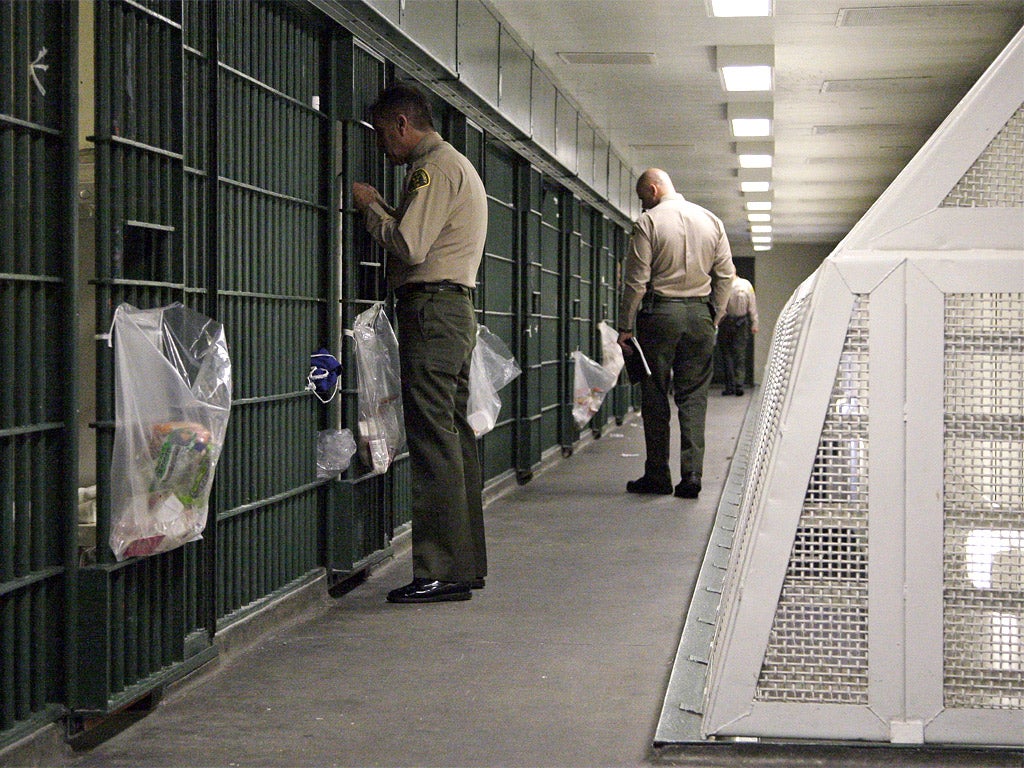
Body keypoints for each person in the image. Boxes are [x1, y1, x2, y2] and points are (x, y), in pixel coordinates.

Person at [352, 83, 488, 603]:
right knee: (455, 439)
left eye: (385, 134)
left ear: (404, 125)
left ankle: (438, 570)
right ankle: (464, 564)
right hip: (452, 312)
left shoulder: (431, 169)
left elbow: (410, 244)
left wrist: (370, 207)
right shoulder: (458, 166)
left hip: (431, 311)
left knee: (433, 441)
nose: (384, 146)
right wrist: (389, 207)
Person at [617, 168, 736, 499]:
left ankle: (658, 474)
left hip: (660, 315)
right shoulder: (711, 220)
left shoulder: (648, 223)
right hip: (700, 314)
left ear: (653, 190)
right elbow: (726, 275)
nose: (642, 206)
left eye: (643, 199)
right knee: (694, 397)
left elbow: (637, 281)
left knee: (655, 396)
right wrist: (714, 314)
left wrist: (626, 325)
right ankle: (692, 475)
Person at [718, 275, 759, 396]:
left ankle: (734, 385)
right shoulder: (744, 285)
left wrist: (755, 322)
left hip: (733, 322)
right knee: (734, 355)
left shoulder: (737, 285)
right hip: (734, 322)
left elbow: (751, 304)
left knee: (732, 355)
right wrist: (754, 322)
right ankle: (735, 385)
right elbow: (752, 305)